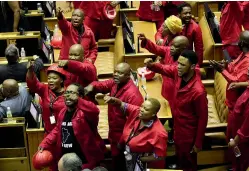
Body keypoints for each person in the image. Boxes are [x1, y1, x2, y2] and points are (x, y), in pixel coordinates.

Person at [144, 50, 208, 171]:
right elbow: (164, 69)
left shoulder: (198, 91)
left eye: (183, 65)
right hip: (177, 126)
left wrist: (198, 143)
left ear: (193, 67)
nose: (178, 67)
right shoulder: (178, 73)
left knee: (188, 162)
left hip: (189, 133)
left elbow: (203, 118)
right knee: (180, 157)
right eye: (178, 63)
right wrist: (152, 65)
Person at [84, 62, 144, 171]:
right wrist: (92, 85)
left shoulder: (133, 95)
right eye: (115, 72)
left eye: (120, 73)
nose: (115, 74)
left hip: (123, 135)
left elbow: (135, 122)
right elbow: (104, 84)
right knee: (115, 158)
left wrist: (123, 141)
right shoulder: (116, 83)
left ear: (127, 76)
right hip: (113, 130)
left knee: (122, 162)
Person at [39, 83, 104, 171]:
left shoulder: (85, 113)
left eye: (72, 93)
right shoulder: (63, 111)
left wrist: (78, 100)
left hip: (84, 161)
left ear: (80, 96)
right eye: (67, 92)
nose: (68, 95)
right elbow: (58, 129)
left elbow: (94, 110)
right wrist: (45, 143)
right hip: (66, 160)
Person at [106, 97, 167, 169]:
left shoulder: (159, 132)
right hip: (128, 155)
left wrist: (140, 159)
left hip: (142, 163)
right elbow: (122, 104)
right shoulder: (136, 112)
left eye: (146, 109)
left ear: (153, 114)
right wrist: (114, 100)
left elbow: (159, 156)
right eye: (142, 106)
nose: (141, 110)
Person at [209, 30, 249, 140]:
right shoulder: (243, 54)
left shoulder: (248, 60)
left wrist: (222, 70)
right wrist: (226, 65)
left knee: (233, 135)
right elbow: (233, 67)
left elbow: (236, 81)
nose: (237, 43)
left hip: (238, 102)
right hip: (232, 101)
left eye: (239, 41)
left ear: (243, 43)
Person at [26, 63, 67, 134]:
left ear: (61, 80)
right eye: (49, 78)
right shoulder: (44, 89)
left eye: (54, 78)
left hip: (64, 130)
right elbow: (33, 85)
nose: (50, 80)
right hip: (49, 130)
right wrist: (30, 71)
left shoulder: (69, 93)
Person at [227, 74, 249, 171]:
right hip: (236, 132)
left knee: (242, 163)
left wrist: (236, 140)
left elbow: (247, 124)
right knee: (237, 160)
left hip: (242, 141)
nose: (247, 72)